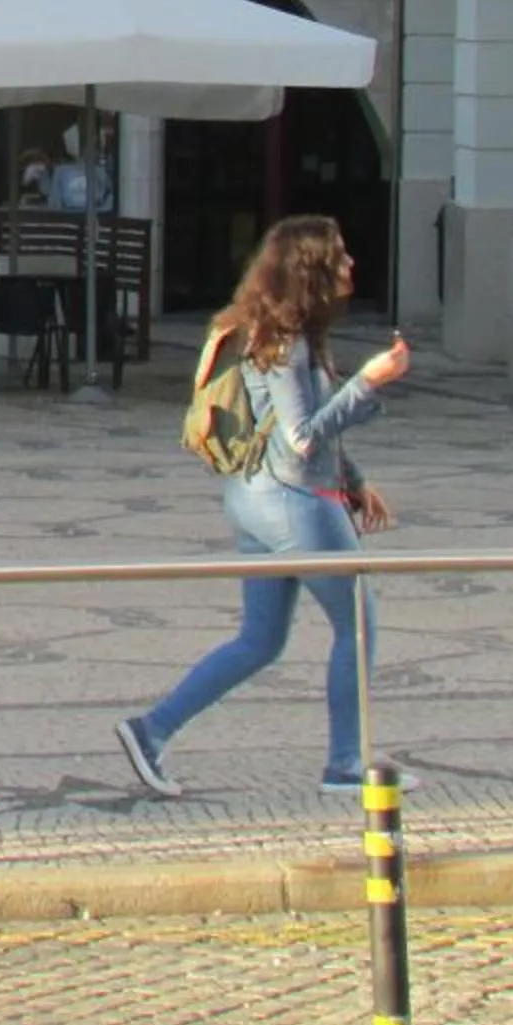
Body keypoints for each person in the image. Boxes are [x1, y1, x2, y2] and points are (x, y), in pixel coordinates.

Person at [114, 214, 411, 801]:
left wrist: (354, 480)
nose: (352, 265)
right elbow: (303, 436)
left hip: (257, 497)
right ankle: (345, 764)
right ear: (313, 269)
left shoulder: (279, 333)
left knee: (260, 638)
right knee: (358, 625)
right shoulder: (285, 343)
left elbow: (290, 433)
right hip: (294, 503)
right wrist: (368, 384)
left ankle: (150, 731)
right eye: (342, 256)